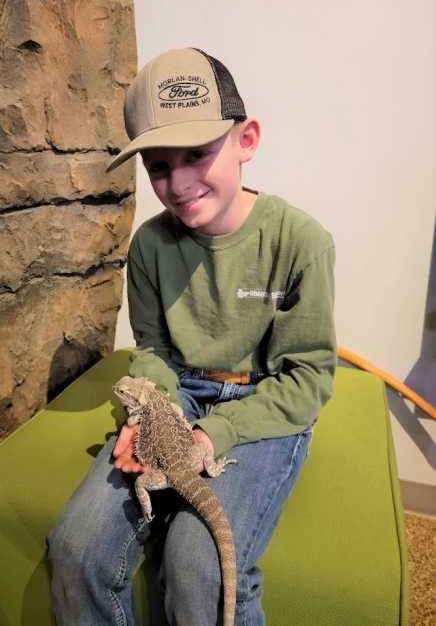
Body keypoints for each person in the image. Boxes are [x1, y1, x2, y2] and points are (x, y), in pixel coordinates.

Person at [46, 47, 337, 625]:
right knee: (75, 550)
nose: (176, 184)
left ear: (246, 140)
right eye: (157, 165)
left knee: (198, 565)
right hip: (173, 401)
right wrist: (152, 409)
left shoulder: (302, 242)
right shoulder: (150, 246)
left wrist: (214, 436)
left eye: (198, 154)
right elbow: (151, 349)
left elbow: (306, 378)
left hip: (261, 406)